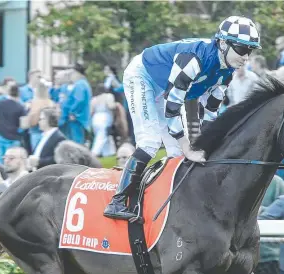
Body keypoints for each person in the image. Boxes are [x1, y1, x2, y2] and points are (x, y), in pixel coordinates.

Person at [104, 15, 261, 220]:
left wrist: (204, 145)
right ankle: (117, 201)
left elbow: (210, 114)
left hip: (166, 87)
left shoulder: (227, 72)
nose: (246, 57)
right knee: (150, 141)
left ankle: (170, 201)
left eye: (250, 50)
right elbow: (173, 107)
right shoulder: (193, 60)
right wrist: (189, 146)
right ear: (223, 44)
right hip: (142, 77)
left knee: (177, 152)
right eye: (242, 49)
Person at [0, 84, 26, 164]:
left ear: (9, 92)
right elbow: (23, 125)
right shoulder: (20, 107)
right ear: (19, 93)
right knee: (12, 163)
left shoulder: (1, 103)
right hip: (14, 138)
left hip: (0, 135)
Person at [60, 63, 92, 144]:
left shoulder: (80, 84)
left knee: (76, 142)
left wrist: (72, 112)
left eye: (71, 74)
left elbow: (79, 100)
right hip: (78, 117)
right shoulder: (83, 83)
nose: (70, 76)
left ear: (76, 73)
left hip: (76, 119)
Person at [23, 80, 54, 151]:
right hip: (48, 130)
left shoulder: (32, 103)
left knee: (36, 151)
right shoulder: (51, 103)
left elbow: (28, 117)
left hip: (35, 130)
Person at [90, 84, 117, 157]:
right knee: (102, 136)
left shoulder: (94, 99)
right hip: (105, 117)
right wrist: (116, 105)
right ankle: (94, 153)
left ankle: (108, 153)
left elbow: (91, 111)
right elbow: (111, 106)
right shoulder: (108, 96)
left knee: (104, 135)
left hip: (95, 118)